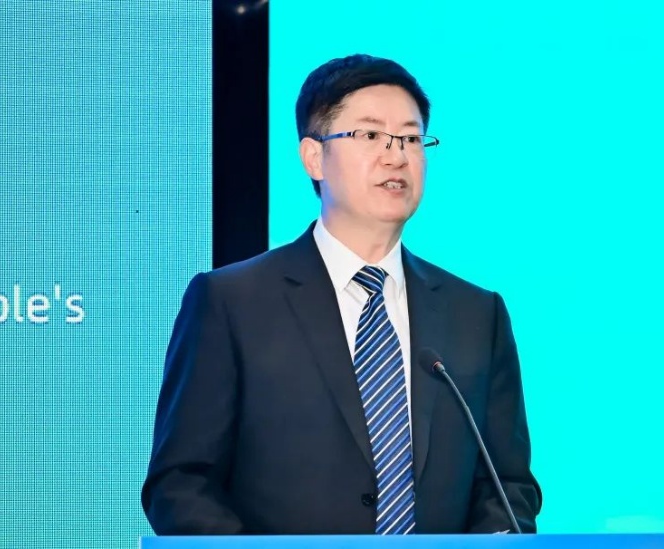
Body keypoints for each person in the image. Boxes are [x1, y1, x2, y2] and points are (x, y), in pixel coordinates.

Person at [141, 54, 541, 535]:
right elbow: (181, 484)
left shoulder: (477, 314)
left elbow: (507, 489)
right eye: (370, 135)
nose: (396, 156)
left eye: (411, 138)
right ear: (314, 157)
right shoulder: (231, 303)